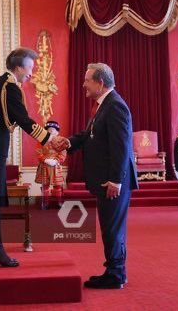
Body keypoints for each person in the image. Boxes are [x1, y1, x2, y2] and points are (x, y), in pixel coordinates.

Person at [0, 47, 65, 267]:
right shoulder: (9, 86)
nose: (31, 73)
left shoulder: (1, 83)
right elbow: (22, 119)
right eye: (30, 68)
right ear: (19, 67)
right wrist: (50, 139)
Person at [61, 63, 137, 289]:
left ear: (100, 83)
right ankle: (116, 271)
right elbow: (89, 135)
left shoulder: (115, 106)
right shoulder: (103, 106)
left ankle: (115, 274)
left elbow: (121, 147)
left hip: (112, 181)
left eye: (87, 80)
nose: (84, 84)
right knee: (109, 225)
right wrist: (69, 143)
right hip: (107, 180)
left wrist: (116, 180)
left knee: (111, 227)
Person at [35, 120, 66, 209]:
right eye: (49, 129)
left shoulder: (61, 141)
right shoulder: (41, 140)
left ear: (57, 131)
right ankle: (45, 202)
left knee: (58, 185)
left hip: (56, 165)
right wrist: (45, 160)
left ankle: (59, 202)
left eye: (53, 129)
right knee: (45, 185)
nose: (51, 131)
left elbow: (63, 153)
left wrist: (56, 160)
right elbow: (38, 152)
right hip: (45, 165)